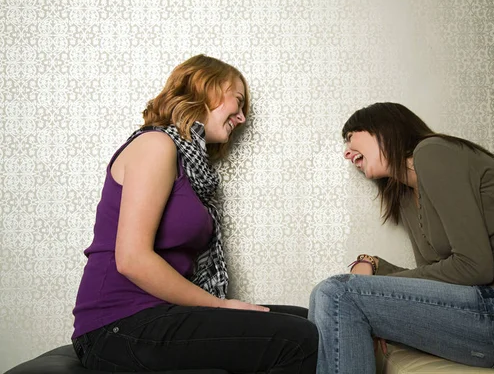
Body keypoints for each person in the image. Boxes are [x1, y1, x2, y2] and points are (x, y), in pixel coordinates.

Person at [71, 54, 318, 373]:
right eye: (238, 102)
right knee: (299, 338)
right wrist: (221, 305)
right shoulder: (156, 145)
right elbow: (132, 259)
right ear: (207, 89)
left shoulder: (193, 169)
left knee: (313, 319)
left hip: (157, 314)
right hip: (117, 325)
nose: (242, 117)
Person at [308, 102, 494, 373]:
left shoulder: (433, 152)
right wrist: (374, 265)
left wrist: (365, 285)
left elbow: (474, 267)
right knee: (324, 292)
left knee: (338, 292)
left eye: (351, 135)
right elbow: (437, 275)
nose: (346, 152)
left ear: (383, 129)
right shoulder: (405, 195)